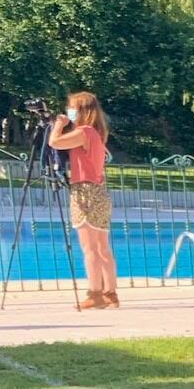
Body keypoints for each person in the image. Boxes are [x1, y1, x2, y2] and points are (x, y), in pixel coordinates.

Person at [48, 91, 118, 309]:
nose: (69, 112)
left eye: (71, 109)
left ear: (81, 111)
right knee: (102, 248)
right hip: (98, 192)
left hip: (84, 192)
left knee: (89, 249)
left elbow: (54, 143)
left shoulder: (84, 132)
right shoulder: (96, 133)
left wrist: (58, 124)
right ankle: (110, 293)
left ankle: (94, 293)